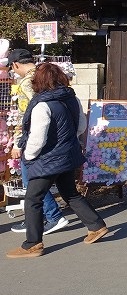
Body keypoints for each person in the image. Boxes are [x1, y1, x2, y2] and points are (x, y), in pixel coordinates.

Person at [6, 62, 108, 259]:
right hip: (68, 154)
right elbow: (81, 126)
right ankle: (96, 225)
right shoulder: (72, 99)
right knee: (70, 192)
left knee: (33, 199)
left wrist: (29, 157)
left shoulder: (42, 104)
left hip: (48, 160)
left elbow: (37, 138)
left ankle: (33, 244)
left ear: (39, 81)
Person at [2, 49, 70, 236]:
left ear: (15, 65)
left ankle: (52, 216)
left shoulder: (27, 83)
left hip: (35, 138)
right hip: (58, 136)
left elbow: (31, 115)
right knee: (42, 180)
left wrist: (18, 143)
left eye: (12, 68)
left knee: (31, 181)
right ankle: (39, 218)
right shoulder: (45, 76)